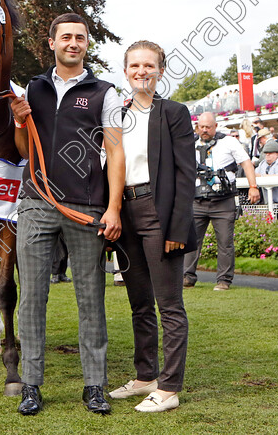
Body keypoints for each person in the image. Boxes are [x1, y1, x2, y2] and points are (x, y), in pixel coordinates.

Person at [9, 13, 123, 415]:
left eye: (80, 38)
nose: (73, 43)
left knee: (90, 298)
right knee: (32, 298)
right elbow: (24, 148)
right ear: (52, 43)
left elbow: (114, 151)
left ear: (86, 45)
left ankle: (94, 385)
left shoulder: (104, 91)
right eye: (66, 37)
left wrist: (113, 207)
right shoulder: (33, 88)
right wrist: (21, 120)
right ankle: (31, 386)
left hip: (86, 206)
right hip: (37, 202)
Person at [110, 40, 196, 413]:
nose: (141, 72)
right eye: (134, 66)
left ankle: (170, 387)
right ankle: (146, 376)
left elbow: (185, 175)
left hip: (158, 215)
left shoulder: (174, 112)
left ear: (160, 70)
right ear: (125, 72)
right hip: (123, 212)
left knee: (169, 306)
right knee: (139, 304)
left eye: (149, 65)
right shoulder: (117, 115)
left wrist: (177, 229)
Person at [183, 112, 260, 291]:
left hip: (223, 201)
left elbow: (246, 163)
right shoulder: (189, 143)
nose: (204, 130)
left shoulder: (229, 142)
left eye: (208, 127)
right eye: (201, 127)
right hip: (197, 201)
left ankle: (224, 280)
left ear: (215, 126)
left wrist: (253, 186)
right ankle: (187, 276)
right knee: (191, 240)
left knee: (225, 242)